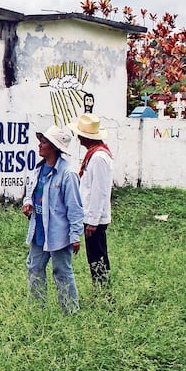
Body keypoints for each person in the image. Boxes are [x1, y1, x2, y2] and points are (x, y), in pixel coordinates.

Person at [22, 125, 84, 314]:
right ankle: (37, 309)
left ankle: (70, 311)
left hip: (59, 233)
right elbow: (30, 192)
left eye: (44, 142)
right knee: (34, 267)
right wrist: (28, 203)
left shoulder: (68, 174)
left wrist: (75, 235)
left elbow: (75, 208)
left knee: (62, 272)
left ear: (55, 147)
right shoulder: (38, 169)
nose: (40, 145)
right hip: (39, 228)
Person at [70, 113, 113, 288]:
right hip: (91, 215)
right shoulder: (94, 155)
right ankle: (101, 287)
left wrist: (93, 221)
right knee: (95, 255)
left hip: (94, 217)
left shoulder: (98, 158)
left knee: (97, 256)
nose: (78, 138)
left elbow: (99, 191)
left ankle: (102, 289)